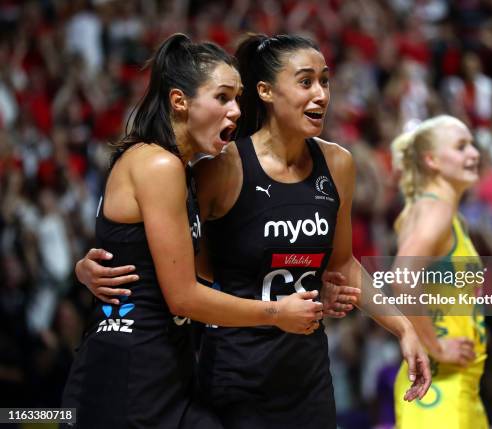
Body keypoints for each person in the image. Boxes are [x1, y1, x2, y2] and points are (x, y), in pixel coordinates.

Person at [77, 33, 431, 429]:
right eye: (305, 81)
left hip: (302, 370)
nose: (320, 93)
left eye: (325, 81)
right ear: (265, 92)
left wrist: (402, 325)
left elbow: (342, 263)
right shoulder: (210, 167)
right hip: (223, 370)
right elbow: (185, 278)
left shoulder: (337, 164)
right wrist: (277, 309)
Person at [61, 33, 328, 429]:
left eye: (237, 98)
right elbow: (183, 296)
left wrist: (84, 267)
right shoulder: (159, 165)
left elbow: (125, 247)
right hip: (129, 371)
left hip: (165, 364)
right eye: (222, 97)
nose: (236, 111)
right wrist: (276, 313)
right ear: (179, 101)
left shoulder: (177, 167)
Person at [390, 115, 488, 428]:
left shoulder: (439, 212)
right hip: (440, 388)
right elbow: (403, 277)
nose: (474, 153)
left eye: (472, 144)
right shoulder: (436, 210)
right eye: (461, 147)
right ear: (431, 160)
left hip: (457, 388)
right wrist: (436, 346)